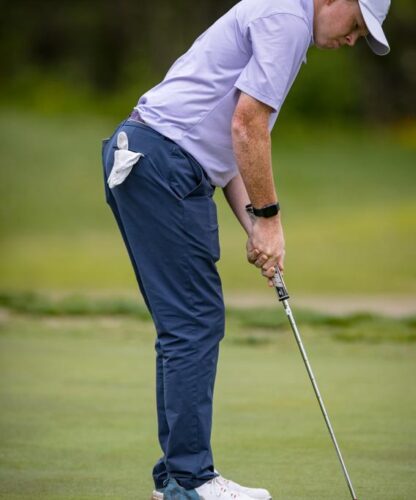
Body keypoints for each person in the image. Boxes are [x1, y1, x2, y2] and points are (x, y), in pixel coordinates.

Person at [100, 0, 391, 498]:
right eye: (358, 26)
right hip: (164, 163)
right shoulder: (288, 20)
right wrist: (272, 219)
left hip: (151, 157)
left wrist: (257, 225)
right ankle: (190, 481)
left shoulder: (282, 16)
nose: (352, 40)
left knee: (185, 324)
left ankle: (177, 477)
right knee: (194, 321)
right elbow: (247, 126)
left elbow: (232, 146)